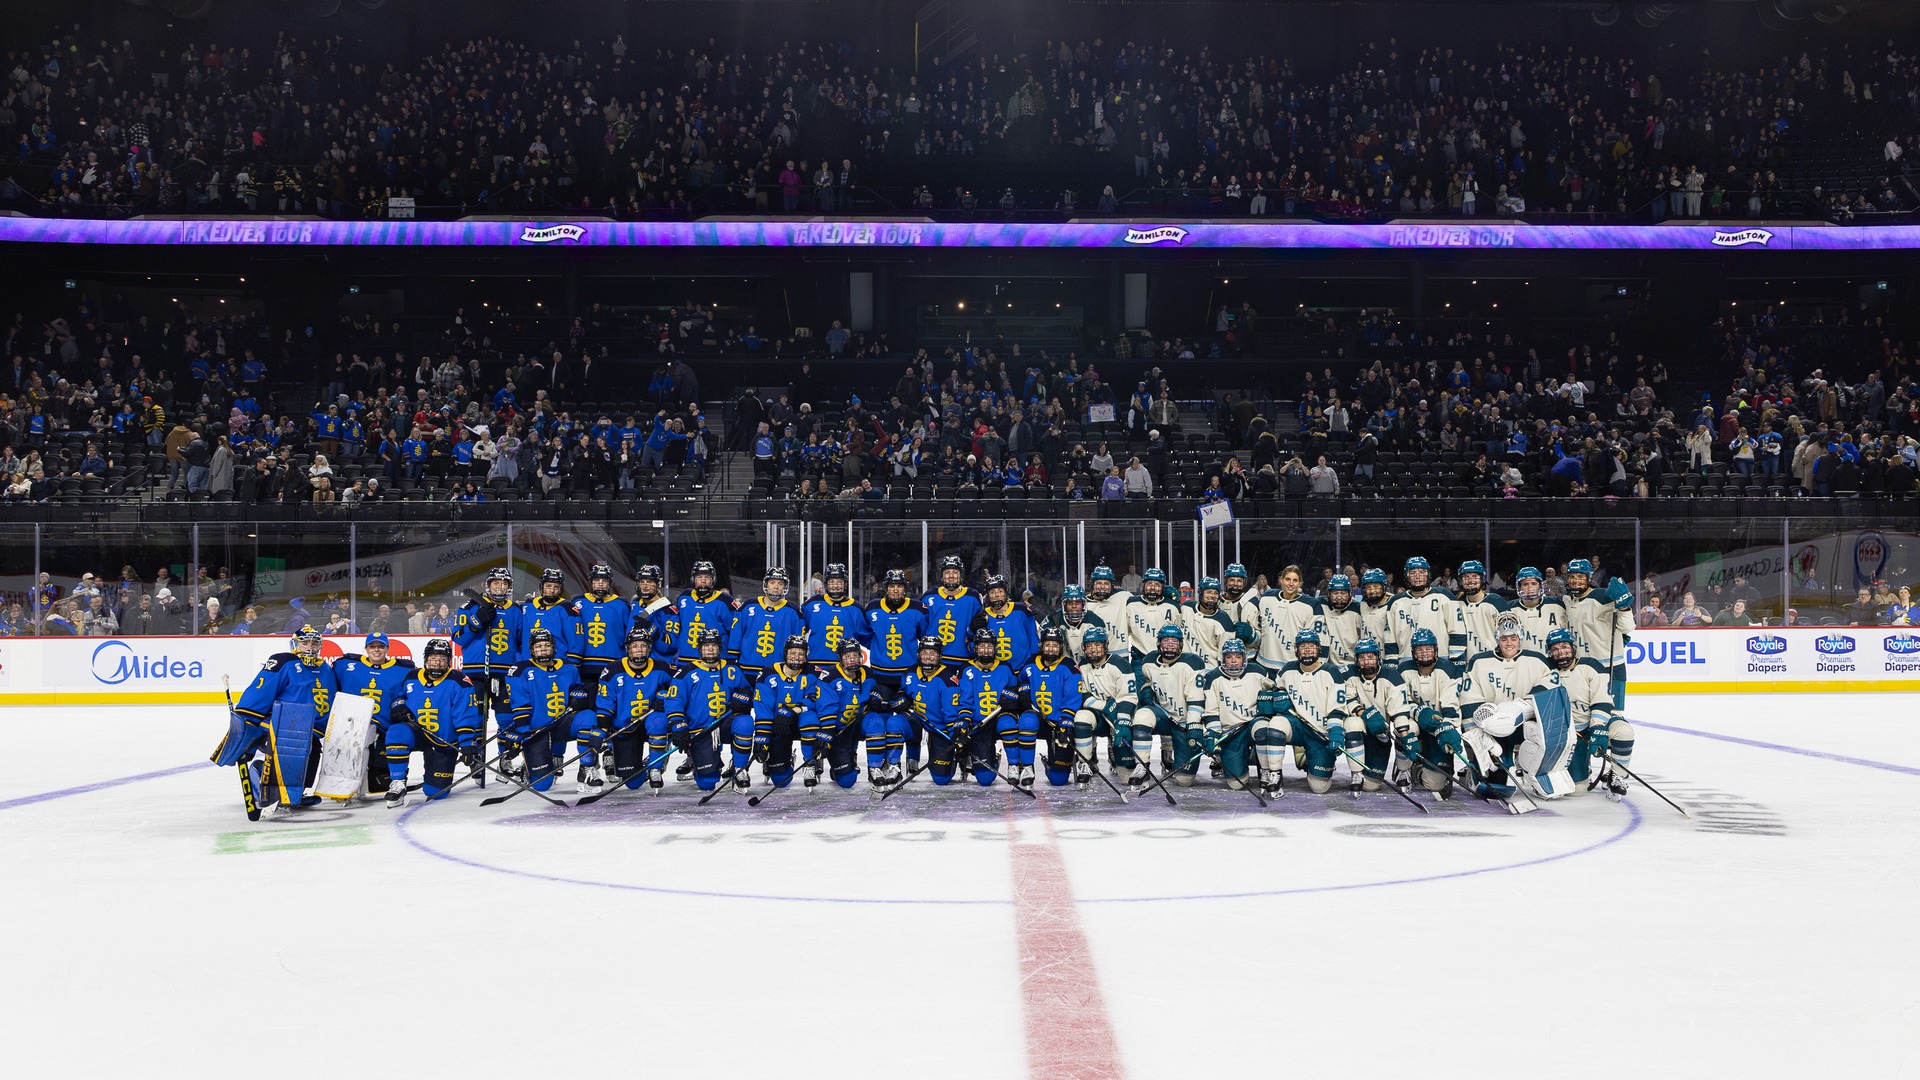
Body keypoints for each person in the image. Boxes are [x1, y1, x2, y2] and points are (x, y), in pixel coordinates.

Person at [213, 626, 340, 814]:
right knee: (284, 746)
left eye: (314, 643)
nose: (310, 647)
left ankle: (297, 791)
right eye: (305, 643)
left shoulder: (325, 670)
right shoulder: (284, 662)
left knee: (312, 748)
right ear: (295, 644)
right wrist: (245, 724)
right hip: (277, 723)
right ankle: (265, 784)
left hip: (306, 728)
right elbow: (260, 691)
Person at [1458, 615, 1563, 806]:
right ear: (1497, 638)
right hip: (1491, 729)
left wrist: (1519, 707)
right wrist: (1479, 735)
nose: (1509, 643)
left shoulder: (1537, 660)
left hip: (1527, 723)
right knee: (1495, 789)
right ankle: (1484, 768)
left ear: (1520, 637)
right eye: (1504, 638)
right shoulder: (1478, 661)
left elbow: (1551, 687)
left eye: (1513, 638)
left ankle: (1536, 772)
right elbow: (1468, 699)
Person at [382, 639, 480, 806]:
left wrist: (467, 743)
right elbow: (400, 696)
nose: (437, 663)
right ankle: (398, 783)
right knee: (396, 732)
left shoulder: (460, 681)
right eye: (434, 658)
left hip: (444, 739)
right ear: (426, 659)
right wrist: (399, 706)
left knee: (435, 793)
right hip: (417, 731)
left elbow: (465, 715)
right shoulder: (413, 676)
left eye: (442, 659)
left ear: (449, 661)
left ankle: (434, 777)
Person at [501, 627, 599, 793]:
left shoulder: (568, 668)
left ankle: (587, 768)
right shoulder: (519, 670)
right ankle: (529, 768)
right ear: (531, 650)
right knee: (542, 786)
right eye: (538, 646)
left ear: (554, 647)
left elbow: (579, 691)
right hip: (536, 729)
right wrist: (523, 732)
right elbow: (520, 705)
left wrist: (579, 698)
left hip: (562, 724)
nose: (543, 649)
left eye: (547, 645)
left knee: (588, 717)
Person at [1252, 629, 1348, 797]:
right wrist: (1277, 698)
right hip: (1297, 726)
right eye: (1303, 646)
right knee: (1276, 724)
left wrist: (1336, 731)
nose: (1308, 650)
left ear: (1319, 649)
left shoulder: (1332, 672)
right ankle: (1275, 774)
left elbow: (1337, 708)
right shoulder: (1287, 670)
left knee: (1319, 787)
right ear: (1296, 649)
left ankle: (1308, 757)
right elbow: (1273, 689)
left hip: (1320, 731)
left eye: (1312, 646)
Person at [1547, 628, 1635, 801]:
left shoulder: (1590, 666)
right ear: (1550, 652)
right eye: (1555, 649)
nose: (1561, 652)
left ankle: (1618, 776)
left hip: (1597, 721)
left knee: (1624, 732)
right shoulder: (1546, 671)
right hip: (1572, 732)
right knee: (1577, 790)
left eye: (1564, 646)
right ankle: (1583, 769)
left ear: (1572, 647)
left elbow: (1602, 700)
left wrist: (1598, 728)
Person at [593, 626, 678, 792]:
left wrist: (664, 697)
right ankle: (633, 760)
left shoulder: (661, 667)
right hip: (625, 727)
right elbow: (605, 703)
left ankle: (655, 766)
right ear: (628, 649)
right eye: (634, 646)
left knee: (659, 721)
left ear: (649, 648)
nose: (639, 650)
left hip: (650, 721)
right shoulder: (612, 671)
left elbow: (678, 688)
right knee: (633, 783)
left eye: (643, 646)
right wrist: (601, 730)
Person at [332, 632, 417, 796]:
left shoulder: (403, 669)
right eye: (372, 646)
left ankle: (387, 778)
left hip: (384, 728)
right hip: (352, 726)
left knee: (379, 784)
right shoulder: (346, 665)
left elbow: (411, 691)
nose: (376, 650)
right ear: (366, 648)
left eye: (380, 646)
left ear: (387, 649)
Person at [1130, 623, 1209, 791]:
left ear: (1181, 644)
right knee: (1142, 715)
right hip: (1163, 716)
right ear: (1159, 644)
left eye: (1174, 641)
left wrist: (1194, 725)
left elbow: (1196, 699)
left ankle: (1175, 756)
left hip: (1183, 723)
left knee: (1184, 780)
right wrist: (1146, 690)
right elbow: (1146, 681)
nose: (1170, 645)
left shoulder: (1193, 663)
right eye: (1166, 641)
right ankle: (1142, 766)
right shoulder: (1148, 661)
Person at [1394, 627, 1471, 795]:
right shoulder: (1403, 670)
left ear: (1435, 650)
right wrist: (1419, 712)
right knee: (1403, 726)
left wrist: (1447, 728)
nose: (1424, 653)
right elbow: (1399, 703)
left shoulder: (1448, 669)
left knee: (1434, 784)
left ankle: (1419, 767)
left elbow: (1451, 705)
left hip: (1438, 726)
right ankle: (1403, 768)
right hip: (1415, 722)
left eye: (1428, 648)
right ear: (1413, 652)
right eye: (1420, 649)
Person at [748, 635, 825, 791]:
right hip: (779, 727)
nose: (796, 657)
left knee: (810, 718)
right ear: (785, 653)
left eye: (800, 654)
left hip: (802, 723)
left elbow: (816, 698)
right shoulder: (768, 673)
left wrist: (792, 711)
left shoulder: (814, 672)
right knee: (781, 781)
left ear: (806, 656)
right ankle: (785, 760)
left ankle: (810, 762)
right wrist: (762, 739)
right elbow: (763, 709)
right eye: (792, 653)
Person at [956, 626, 1030, 787]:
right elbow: (965, 700)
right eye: (982, 646)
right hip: (978, 724)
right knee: (985, 779)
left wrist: (1010, 698)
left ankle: (1014, 765)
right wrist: (964, 723)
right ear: (975, 648)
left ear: (995, 648)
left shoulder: (1005, 667)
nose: (986, 650)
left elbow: (1015, 694)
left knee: (1008, 724)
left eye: (989, 646)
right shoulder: (966, 669)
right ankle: (993, 759)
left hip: (1000, 717)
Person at [1339, 637, 1411, 793]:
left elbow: (1398, 711)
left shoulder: (1392, 676)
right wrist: (1365, 714)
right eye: (1362, 658)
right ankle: (1356, 773)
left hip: (1380, 732)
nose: (1366, 662)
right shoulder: (1348, 674)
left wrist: (1405, 738)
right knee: (1352, 723)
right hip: (1360, 729)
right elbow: (1347, 699)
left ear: (1378, 658)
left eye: (1370, 657)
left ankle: (1403, 768)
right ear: (1356, 660)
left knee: (1371, 787)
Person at [1562, 558, 1634, 711]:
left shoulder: (1604, 597)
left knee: (1614, 716)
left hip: (1611, 666)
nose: (1576, 581)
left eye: (1581, 576)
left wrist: (1624, 607)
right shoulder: (1566, 600)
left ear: (1589, 578)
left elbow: (1627, 626)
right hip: (1581, 667)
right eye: (1572, 576)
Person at [1018, 627, 1084, 787]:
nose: (1051, 649)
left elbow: (1073, 696)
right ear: (1041, 645)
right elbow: (1021, 679)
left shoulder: (1069, 666)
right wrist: (1024, 687)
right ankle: (1027, 768)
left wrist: (1067, 720)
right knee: (1026, 720)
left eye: (1055, 645)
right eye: (1048, 645)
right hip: (1037, 720)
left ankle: (1051, 765)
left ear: (1061, 647)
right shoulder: (1031, 663)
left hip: (1059, 723)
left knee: (1059, 780)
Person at [729, 568, 805, 678]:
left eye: (780, 583)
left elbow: (798, 645)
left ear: (785, 586)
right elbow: (735, 637)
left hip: (778, 673)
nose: (776, 587)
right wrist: (732, 661)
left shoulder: (793, 612)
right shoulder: (748, 606)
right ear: (766, 584)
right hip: (746, 670)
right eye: (772, 582)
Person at [1388, 556, 1463, 662]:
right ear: (1407, 576)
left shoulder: (1444, 595)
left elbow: (1457, 629)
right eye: (1413, 573)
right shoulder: (1395, 602)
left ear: (1428, 575)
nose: (1417, 576)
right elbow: (1390, 637)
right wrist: (1391, 661)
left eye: (1422, 572)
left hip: (1440, 658)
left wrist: (1457, 658)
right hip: (1405, 659)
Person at [574, 564, 632, 697]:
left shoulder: (621, 604)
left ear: (610, 584)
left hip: (613, 664)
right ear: (591, 583)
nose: (600, 584)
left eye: (604, 581)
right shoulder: (578, 602)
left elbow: (629, 634)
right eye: (596, 581)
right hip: (585, 665)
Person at [802, 562, 870, 668]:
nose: (836, 586)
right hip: (816, 665)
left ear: (845, 584)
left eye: (839, 582)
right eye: (832, 582)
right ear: (826, 584)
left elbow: (867, 638)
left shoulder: (856, 608)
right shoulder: (811, 605)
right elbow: (798, 631)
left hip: (847, 667)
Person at [674, 560, 739, 668]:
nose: (703, 581)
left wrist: (732, 658)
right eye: (699, 577)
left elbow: (734, 632)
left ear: (713, 579)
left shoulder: (725, 601)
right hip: (685, 659)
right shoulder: (684, 597)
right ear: (693, 579)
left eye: (707, 577)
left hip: (715, 660)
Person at [921, 555, 984, 666]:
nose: (951, 576)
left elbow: (980, 628)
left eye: (955, 572)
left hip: (963, 660)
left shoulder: (973, 598)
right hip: (933, 661)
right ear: (941, 576)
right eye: (947, 572)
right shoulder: (929, 596)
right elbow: (920, 628)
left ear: (961, 576)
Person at [975, 572, 1040, 671]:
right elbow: (976, 645)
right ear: (987, 595)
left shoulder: (1021, 610)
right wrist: (972, 631)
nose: (997, 595)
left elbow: (1033, 639)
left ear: (1006, 593)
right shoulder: (983, 616)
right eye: (992, 592)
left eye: (1000, 591)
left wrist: (1033, 663)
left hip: (1024, 670)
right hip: (996, 673)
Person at [1122, 568, 1182, 661]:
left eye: (1157, 584)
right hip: (1139, 658)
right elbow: (1125, 630)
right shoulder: (1131, 604)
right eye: (1149, 583)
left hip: (1166, 658)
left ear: (1163, 587)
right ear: (1143, 585)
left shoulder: (1173, 606)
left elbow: (1179, 635)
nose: (1153, 588)